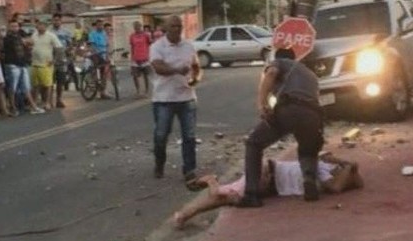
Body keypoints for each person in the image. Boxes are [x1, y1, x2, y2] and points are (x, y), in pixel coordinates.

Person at [172, 153, 364, 228]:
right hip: (269, 173)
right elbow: (342, 183)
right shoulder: (321, 168)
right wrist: (345, 163)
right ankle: (210, 181)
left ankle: (184, 214)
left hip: (272, 183)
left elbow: (349, 184)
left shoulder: (328, 174)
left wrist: (347, 165)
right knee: (226, 196)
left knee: (228, 197)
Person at [240, 46, 324, 206]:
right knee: (308, 148)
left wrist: (262, 104)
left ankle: (252, 194)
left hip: (291, 107)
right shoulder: (310, 74)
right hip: (314, 114)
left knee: (253, 143)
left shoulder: (279, 62)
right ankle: (309, 181)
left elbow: (271, 74)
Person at [148, 15, 202, 188]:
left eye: (179, 26)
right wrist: (177, 70)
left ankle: (189, 170)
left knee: (189, 136)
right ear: (165, 27)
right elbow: (158, 67)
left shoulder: (188, 45)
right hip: (164, 98)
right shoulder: (157, 47)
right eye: (173, 26)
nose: (177, 29)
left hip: (186, 97)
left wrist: (196, 78)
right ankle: (159, 162)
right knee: (161, 135)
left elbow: (196, 66)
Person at [2, 19, 44, 115]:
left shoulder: (20, 35)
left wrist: (25, 41)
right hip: (12, 65)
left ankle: (33, 107)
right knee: (12, 88)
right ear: (9, 27)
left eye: (16, 26)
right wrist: (23, 41)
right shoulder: (7, 38)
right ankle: (13, 108)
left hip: (22, 64)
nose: (14, 28)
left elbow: (31, 42)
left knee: (26, 87)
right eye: (12, 26)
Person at [31, 17, 64, 109]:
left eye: (42, 25)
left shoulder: (51, 36)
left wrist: (55, 60)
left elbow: (59, 48)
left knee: (48, 84)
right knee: (36, 85)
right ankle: (35, 102)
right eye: (38, 25)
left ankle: (47, 102)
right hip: (35, 63)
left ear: (45, 26)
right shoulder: (34, 35)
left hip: (46, 63)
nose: (39, 26)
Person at [51, 13, 71, 108]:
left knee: (61, 80)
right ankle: (49, 100)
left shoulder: (66, 32)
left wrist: (69, 51)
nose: (56, 22)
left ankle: (59, 99)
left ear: (61, 21)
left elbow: (70, 43)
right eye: (54, 20)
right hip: (51, 58)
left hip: (62, 58)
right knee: (50, 81)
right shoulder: (49, 32)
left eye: (58, 20)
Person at [128, 21, 153, 99]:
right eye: (135, 27)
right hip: (135, 58)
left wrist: (149, 55)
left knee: (145, 75)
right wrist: (132, 57)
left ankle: (146, 91)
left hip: (145, 57)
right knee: (135, 76)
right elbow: (132, 46)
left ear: (140, 26)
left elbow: (150, 44)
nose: (137, 28)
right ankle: (138, 91)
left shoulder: (146, 35)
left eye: (138, 26)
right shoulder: (132, 36)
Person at [87, 20, 110, 99]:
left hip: (103, 54)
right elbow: (92, 45)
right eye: (99, 25)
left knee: (103, 73)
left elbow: (107, 44)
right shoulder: (92, 34)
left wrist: (107, 53)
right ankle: (96, 88)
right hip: (95, 54)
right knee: (97, 70)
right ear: (96, 25)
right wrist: (96, 52)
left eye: (101, 25)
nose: (100, 26)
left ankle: (103, 92)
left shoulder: (104, 34)